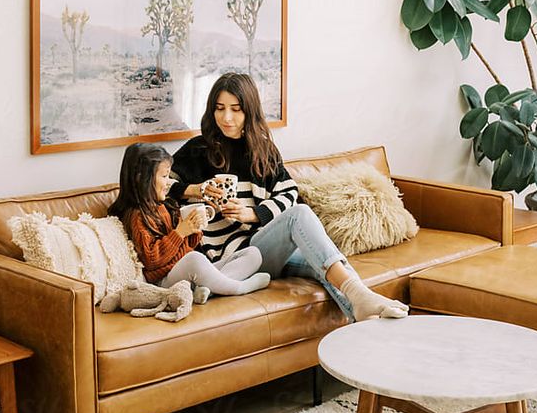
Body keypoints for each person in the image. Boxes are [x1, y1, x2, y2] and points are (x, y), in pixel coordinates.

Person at [170, 72, 408, 322]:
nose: (226, 118)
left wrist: (253, 214)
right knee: (301, 217)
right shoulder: (197, 150)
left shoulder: (262, 150)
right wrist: (197, 190)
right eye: (219, 109)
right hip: (232, 261)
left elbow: (288, 193)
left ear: (249, 111)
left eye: (236, 109)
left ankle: (365, 319)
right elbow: (161, 184)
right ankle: (363, 304)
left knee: (328, 265)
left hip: (265, 248)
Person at [109, 143, 271, 298]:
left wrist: (194, 229)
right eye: (164, 176)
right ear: (141, 177)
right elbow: (152, 261)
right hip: (163, 282)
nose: (168, 183)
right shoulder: (137, 216)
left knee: (252, 253)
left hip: (186, 274)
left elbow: (184, 249)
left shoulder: (163, 206)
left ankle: (209, 289)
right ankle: (238, 288)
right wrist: (180, 232)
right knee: (195, 259)